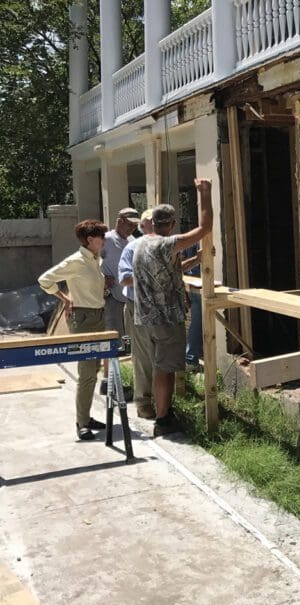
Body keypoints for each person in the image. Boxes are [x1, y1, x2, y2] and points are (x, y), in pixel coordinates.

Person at [131, 180, 213, 437]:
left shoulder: (141, 243)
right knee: (165, 370)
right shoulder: (165, 244)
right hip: (165, 319)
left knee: (159, 368)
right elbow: (205, 228)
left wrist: (196, 259)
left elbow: (171, 271)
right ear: (172, 224)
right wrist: (205, 194)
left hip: (145, 319)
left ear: (152, 222)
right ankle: (164, 420)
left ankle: (162, 411)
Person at [38, 219, 109, 441]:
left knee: (93, 369)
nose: (104, 241)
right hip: (84, 318)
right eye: (101, 237)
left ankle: (86, 416)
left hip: (97, 315)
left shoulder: (94, 260)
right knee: (86, 372)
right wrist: (65, 298)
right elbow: (45, 280)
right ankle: (82, 422)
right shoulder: (77, 261)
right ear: (90, 240)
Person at [117, 210, 156, 419]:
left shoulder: (167, 246)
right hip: (137, 306)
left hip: (160, 308)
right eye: (155, 223)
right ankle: (143, 402)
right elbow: (124, 279)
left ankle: (162, 399)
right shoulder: (133, 248)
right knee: (143, 357)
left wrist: (196, 259)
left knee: (161, 355)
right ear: (145, 226)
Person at [100, 207, 140, 393]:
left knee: (126, 342)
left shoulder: (132, 241)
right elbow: (89, 261)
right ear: (121, 220)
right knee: (112, 340)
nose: (132, 228)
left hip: (129, 299)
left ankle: (116, 382)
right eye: (130, 224)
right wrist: (101, 279)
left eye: (135, 225)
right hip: (112, 298)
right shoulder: (106, 239)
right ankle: (107, 382)